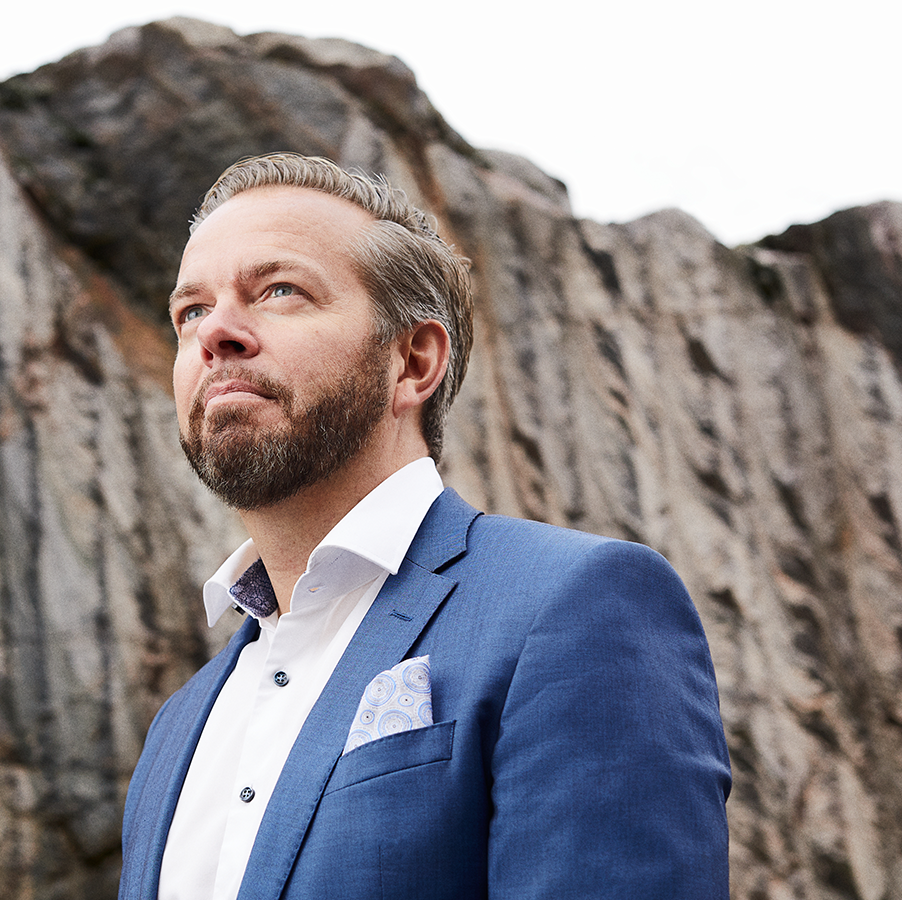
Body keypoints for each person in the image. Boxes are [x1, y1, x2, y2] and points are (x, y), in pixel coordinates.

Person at [118, 153, 730, 900]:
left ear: (413, 361)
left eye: (279, 290)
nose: (217, 333)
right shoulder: (177, 730)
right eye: (191, 312)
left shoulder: (577, 604)